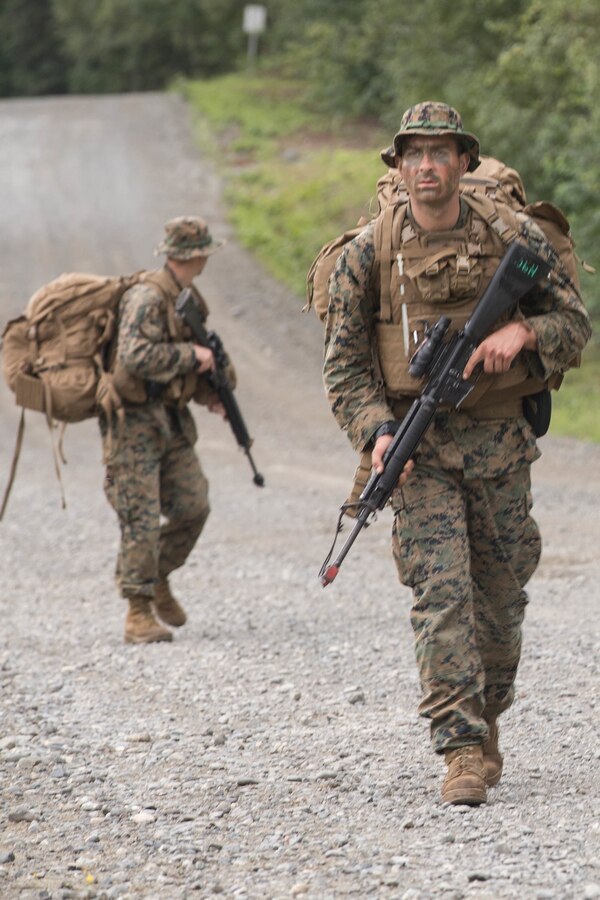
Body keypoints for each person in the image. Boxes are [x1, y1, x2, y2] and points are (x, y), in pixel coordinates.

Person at [323, 102, 591, 805]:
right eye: (414, 154)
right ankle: (461, 749)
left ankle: (488, 713)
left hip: (501, 448)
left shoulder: (513, 237)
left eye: (441, 152)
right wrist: (378, 431)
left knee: (500, 610)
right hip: (419, 457)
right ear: (399, 166)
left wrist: (524, 337)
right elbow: (344, 368)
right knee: (442, 598)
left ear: (465, 162)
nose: (427, 166)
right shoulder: (368, 252)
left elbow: (575, 323)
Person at [100, 215, 230, 645]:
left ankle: (156, 578)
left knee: (193, 504)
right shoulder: (147, 296)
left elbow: (181, 364)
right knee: (141, 516)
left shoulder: (186, 297)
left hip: (170, 419)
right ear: (195, 255)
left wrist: (208, 392)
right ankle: (137, 612)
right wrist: (190, 356)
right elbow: (135, 356)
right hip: (133, 422)